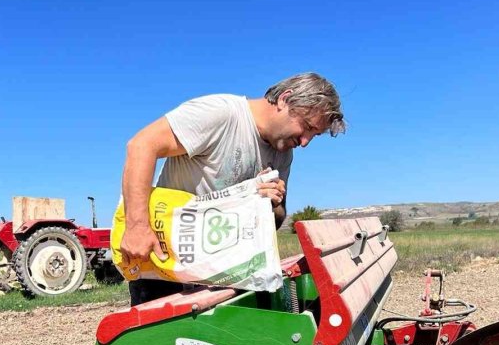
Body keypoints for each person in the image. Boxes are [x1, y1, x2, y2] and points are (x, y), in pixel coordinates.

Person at [119, 72, 346, 304]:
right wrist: (137, 227)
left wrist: (270, 202)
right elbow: (141, 145)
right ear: (284, 100)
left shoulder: (283, 152)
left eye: (314, 135)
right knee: (161, 340)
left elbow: (276, 220)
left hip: (221, 274)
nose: (305, 142)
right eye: (306, 127)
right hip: (167, 264)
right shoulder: (221, 114)